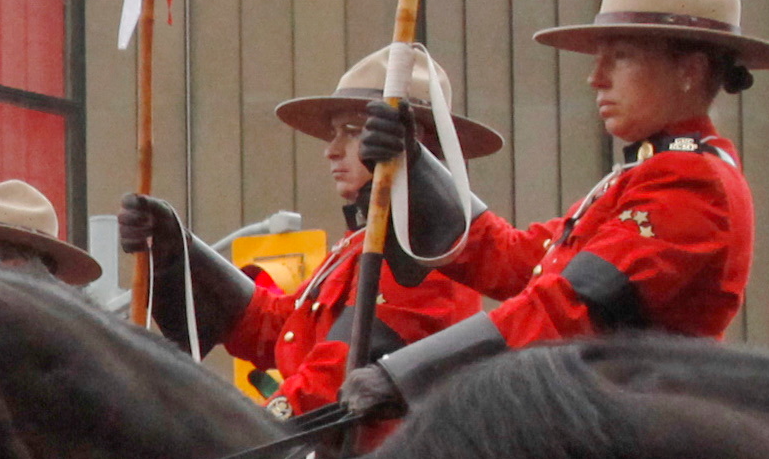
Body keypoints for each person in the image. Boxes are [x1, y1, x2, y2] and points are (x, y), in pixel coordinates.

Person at [342, 0, 769, 420]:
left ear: (690, 71)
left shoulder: (692, 180)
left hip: (635, 432)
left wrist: (410, 373)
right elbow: (517, 260)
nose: (595, 78)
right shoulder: (647, 174)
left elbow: (570, 307)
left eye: (620, 58)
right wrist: (414, 166)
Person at [120, 44, 504, 415]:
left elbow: (334, 381)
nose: (331, 150)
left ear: (408, 140)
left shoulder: (422, 250)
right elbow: (277, 327)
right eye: (332, 133)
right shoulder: (357, 244)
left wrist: (239, 435)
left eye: (352, 130)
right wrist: (177, 252)